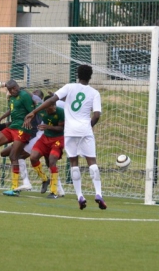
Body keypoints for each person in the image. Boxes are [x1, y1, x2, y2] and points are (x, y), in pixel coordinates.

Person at [24, 65, 106, 210]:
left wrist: (34, 112)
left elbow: (51, 100)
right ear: (90, 76)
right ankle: (98, 193)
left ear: (77, 75)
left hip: (69, 132)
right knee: (92, 162)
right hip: (85, 130)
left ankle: (80, 195)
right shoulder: (94, 93)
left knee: (74, 163)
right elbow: (97, 115)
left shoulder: (69, 87)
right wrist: (88, 127)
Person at [0, 89, 51, 194]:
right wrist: (0, 118)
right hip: (23, 133)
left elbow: (34, 98)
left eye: (36, 93)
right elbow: (10, 113)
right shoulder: (24, 107)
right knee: (4, 153)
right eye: (33, 92)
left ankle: (27, 183)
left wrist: (18, 89)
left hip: (33, 137)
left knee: (16, 156)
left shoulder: (38, 103)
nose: (33, 94)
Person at [29, 95, 65, 199]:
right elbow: (34, 100)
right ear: (46, 106)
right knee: (33, 157)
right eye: (51, 106)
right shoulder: (41, 108)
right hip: (45, 138)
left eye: (54, 105)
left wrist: (48, 127)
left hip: (58, 139)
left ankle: (54, 192)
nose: (53, 108)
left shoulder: (60, 112)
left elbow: (61, 128)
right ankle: (45, 179)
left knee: (52, 161)